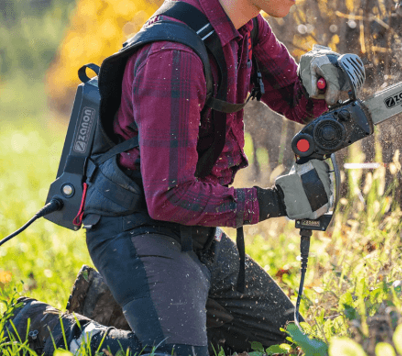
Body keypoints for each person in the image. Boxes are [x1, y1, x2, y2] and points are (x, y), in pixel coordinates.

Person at [4, 0, 353, 355]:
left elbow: (298, 102)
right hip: (136, 225)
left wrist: (324, 84)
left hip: (196, 228)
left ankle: (117, 304)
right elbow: (169, 196)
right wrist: (274, 201)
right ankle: (42, 326)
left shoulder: (247, 28)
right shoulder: (174, 56)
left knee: (286, 343)